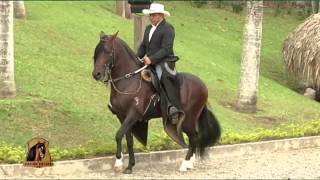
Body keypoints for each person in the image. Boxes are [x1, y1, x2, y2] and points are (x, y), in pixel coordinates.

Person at [137, 3, 183, 125]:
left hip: (165, 62)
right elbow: (143, 46)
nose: (151, 17)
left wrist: (151, 59)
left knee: (162, 77)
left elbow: (166, 49)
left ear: (161, 16)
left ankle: (172, 108)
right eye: (150, 15)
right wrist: (137, 57)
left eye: (153, 15)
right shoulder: (148, 29)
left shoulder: (168, 29)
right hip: (150, 61)